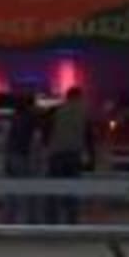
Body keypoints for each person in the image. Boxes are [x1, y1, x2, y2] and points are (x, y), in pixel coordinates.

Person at [44, 87, 92, 224]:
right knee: (73, 189)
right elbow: (88, 136)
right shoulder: (84, 112)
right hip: (73, 154)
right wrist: (90, 156)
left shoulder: (57, 110)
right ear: (79, 96)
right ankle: (72, 221)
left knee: (54, 189)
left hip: (56, 154)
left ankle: (52, 221)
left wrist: (47, 147)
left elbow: (47, 130)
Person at [2, 99, 42, 224]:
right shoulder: (30, 119)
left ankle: (9, 218)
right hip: (22, 156)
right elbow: (36, 139)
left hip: (10, 156)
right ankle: (28, 219)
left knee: (11, 189)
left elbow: (8, 138)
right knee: (26, 189)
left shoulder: (14, 118)